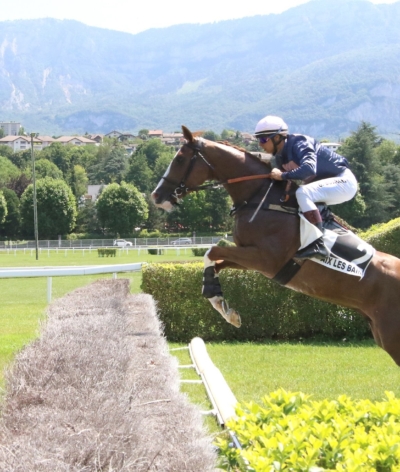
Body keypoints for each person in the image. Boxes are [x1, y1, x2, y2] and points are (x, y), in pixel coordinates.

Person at [254, 115, 358, 259]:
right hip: (327, 186)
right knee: (298, 199)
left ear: (277, 137)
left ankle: (318, 244)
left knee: (303, 193)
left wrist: (283, 176)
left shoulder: (299, 142)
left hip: (343, 181)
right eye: (258, 139)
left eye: (263, 139)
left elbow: (309, 169)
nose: (260, 144)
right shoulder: (279, 157)